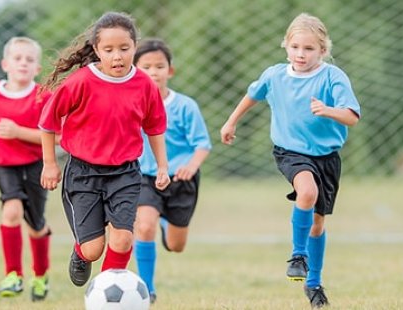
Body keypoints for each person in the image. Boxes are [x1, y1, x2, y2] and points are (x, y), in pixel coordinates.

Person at [220, 13, 360, 309]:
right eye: (295, 46)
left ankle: (314, 284)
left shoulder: (333, 77)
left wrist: (328, 110)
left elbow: (351, 116)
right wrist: (231, 122)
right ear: (286, 46)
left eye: (309, 49)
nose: (301, 54)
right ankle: (298, 256)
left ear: (322, 50)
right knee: (307, 192)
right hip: (290, 152)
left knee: (318, 225)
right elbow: (252, 94)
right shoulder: (275, 75)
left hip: (327, 157)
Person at [38, 11, 171, 288]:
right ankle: (80, 253)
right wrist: (50, 164)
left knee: (123, 239)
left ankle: (105, 293)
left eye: (124, 48)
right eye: (108, 50)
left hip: (125, 172)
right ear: (96, 50)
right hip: (83, 173)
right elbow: (48, 123)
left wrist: (162, 166)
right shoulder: (80, 82)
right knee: (93, 249)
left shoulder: (145, 85)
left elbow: (155, 127)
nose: (117, 56)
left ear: (135, 46)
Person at [132, 38, 212, 304]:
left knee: (176, 246)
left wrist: (191, 166)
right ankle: (147, 289)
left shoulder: (185, 106)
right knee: (144, 227)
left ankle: (167, 222)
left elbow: (202, 144)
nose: (153, 72)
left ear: (170, 70)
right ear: (135, 70)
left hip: (180, 179)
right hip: (145, 177)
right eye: (146, 66)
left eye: (159, 66)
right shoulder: (131, 104)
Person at [0, 36, 52, 301]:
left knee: (36, 225)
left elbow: (57, 137)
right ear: (5, 63)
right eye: (17, 58)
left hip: (36, 165)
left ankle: (40, 275)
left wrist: (19, 132)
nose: (23, 63)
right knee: (11, 211)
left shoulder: (44, 96)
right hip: (4, 164)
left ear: (37, 68)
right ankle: (13, 274)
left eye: (29, 60)